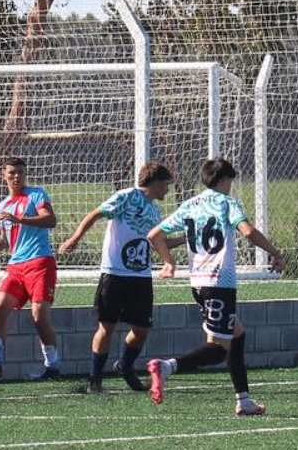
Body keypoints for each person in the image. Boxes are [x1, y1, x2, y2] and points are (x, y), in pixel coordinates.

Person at [144, 158, 286, 417]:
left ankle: (244, 400)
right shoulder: (227, 203)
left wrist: (169, 262)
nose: (231, 186)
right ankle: (166, 367)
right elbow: (248, 231)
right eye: (230, 181)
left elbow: (154, 236)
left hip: (198, 284)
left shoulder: (190, 204)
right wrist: (275, 252)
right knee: (219, 350)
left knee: (237, 335)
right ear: (224, 180)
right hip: (219, 283)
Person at [57, 161, 177, 395]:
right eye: (166, 184)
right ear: (155, 182)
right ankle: (95, 378)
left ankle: (125, 366)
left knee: (142, 329)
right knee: (107, 327)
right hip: (115, 273)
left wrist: (187, 240)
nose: (167, 189)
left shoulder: (155, 210)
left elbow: (158, 243)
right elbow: (96, 214)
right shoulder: (126, 196)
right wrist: (75, 238)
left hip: (141, 276)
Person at [0, 156, 61, 383]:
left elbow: (50, 220)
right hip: (16, 267)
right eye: (12, 173)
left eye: (20, 172)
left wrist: (20, 219)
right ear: (4, 175)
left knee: (39, 316)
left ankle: (53, 366)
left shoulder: (36, 194)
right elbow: (6, 240)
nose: (17, 177)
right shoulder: (3, 205)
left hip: (40, 263)